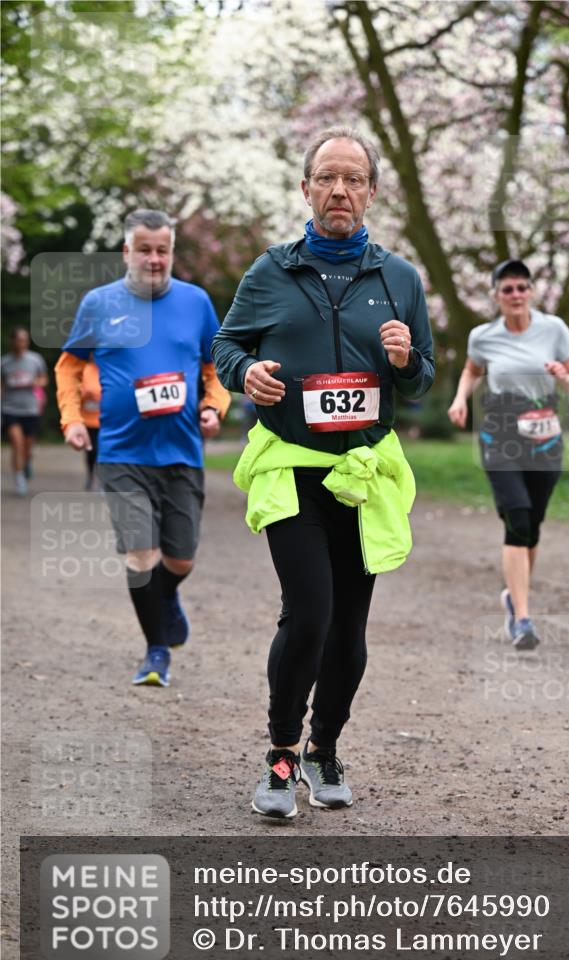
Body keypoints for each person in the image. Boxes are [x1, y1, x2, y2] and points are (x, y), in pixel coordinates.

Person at [212, 126, 435, 819]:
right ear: (304, 187)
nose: (339, 190)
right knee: (307, 612)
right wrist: (247, 373)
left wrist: (403, 363)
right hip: (291, 466)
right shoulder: (269, 272)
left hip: (361, 471)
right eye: (326, 178)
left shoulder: (399, 279)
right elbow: (226, 345)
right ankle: (280, 757)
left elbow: (424, 380)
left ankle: (323, 750)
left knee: (348, 628)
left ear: (370, 191)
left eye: (353, 179)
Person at [55, 209, 231, 687]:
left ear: (171, 252)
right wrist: (72, 420)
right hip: (120, 453)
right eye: (145, 250)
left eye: (163, 250)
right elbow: (69, 366)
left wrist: (214, 408)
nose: (155, 259)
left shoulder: (196, 303)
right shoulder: (99, 303)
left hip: (181, 452)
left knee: (179, 560)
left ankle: (165, 596)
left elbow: (217, 368)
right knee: (140, 556)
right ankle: (156, 651)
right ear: (127, 253)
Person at [448, 259, 569, 650]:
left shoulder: (554, 329)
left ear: (532, 292)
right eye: (507, 289)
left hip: (545, 438)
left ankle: (512, 595)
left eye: (522, 287)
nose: (516, 295)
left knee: (533, 525)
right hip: (500, 437)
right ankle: (522, 619)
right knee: (517, 517)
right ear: (496, 296)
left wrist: (563, 375)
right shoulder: (483, 336)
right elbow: (472, 371)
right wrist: (460, 400)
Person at [1, 326, 48, 496]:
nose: (22, 343)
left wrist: (35, 383)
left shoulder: (35, 360)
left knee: (27, 447)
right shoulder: (4, 362)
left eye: (25, 339)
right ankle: (19, 477)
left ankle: (27, 462)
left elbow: (44, 379)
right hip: (10, 408)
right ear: (13, 341)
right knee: (16, 443)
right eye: (19, 339)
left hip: (30, 409)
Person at [80, 358, 101, 490]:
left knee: (102, 451)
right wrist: (86, 394)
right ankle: (90, 475)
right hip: (88, 419)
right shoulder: (84, 369)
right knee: (91, 452)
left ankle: (101, 481)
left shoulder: (108, 367)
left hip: (105, 418)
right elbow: (75, 390)